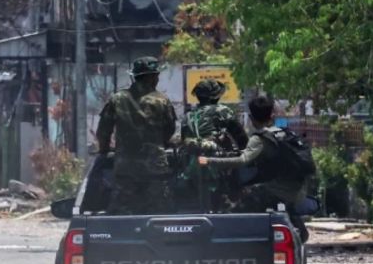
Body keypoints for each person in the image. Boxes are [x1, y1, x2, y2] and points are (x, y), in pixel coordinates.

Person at [198, 95, 313, 239]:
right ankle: (296, 227)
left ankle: (237, 239)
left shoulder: (259, 138)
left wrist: (209, 161)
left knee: (239, 208)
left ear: (251, 118)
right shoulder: (284, 133)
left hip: (277, 190)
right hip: (297, 190)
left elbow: (242, 160)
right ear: (272, 115)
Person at [96, 56, 178, 214]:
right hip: (155, 166)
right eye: (157, 76)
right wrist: (161, 143)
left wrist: (104, 150)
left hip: (126, 167)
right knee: (160, 212)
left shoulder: (117, 99)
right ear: (152, 77)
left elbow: (103, 130)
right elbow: (169, 128)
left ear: (135, 76)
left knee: (122, 213)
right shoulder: (162, 100)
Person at [181, 78, 249, 153]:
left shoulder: (187, 116)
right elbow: (241, 138)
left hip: (190, 161)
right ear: (216, 97)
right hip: (217, 161)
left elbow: (183, 140)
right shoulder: (221, 111)